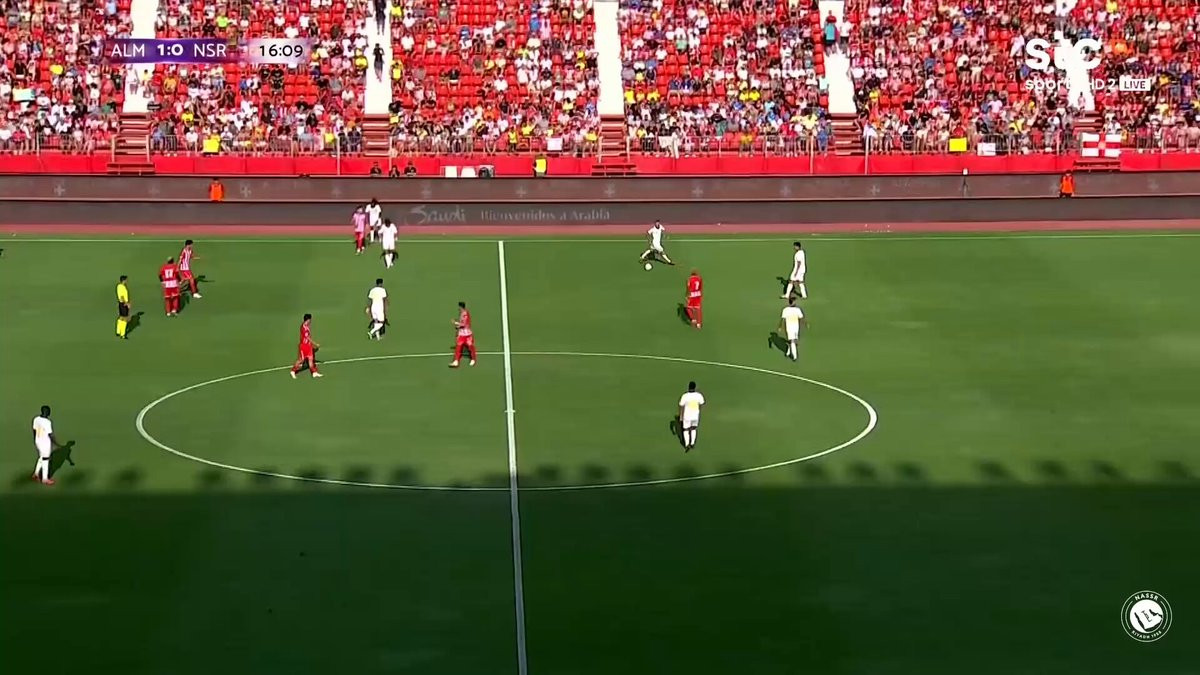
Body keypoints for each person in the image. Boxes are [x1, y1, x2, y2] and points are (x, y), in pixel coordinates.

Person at [31, 405, 59, 485]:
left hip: (38, 441)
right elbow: (50, 435)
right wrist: (56, 443)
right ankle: (45, 479)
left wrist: (35, 439)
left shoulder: (36, 419)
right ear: (48, 412)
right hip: (45, 443)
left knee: (41, 457)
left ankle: (36, 474)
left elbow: (34, 430)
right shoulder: (47, 422)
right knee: (46, 459)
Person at [290, 313, 323, 378]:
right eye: (310, 319)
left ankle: (314, 372)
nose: (311, 321)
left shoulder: (306, 325)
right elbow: (308, 338)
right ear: (308, 320)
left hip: (308, 346)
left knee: (311, 359)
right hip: (303, 347)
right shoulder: (304, 328)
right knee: (301, 360)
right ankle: (293, 371)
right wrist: (316, 344)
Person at [677, 381, 705, 451]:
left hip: (687, 415)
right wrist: (698, 411)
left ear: (688, 387)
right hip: (695, 415)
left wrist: (681, 416)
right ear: (695, 387)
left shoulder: (685, 396)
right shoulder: (699, 395)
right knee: (693, 429)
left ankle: (687, 444)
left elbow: (681, 406)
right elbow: (702, 404)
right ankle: (692, 443)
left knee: (686, 429)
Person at [449, 301, 476, 368]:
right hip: (461, 334)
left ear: (461, 307)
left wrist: (455, 323)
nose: (458, 308)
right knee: (458, 347)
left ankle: (473, 359)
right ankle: (456, 361)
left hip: (467, 334)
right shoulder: (461, 313)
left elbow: (464, 324)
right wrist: (457, 327)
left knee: (470, 346)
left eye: (459, 307)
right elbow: (461, 323)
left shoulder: (465, 314)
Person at [779, 297, 806, 361]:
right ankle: (795, 356)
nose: (795, 303)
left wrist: (805, 323)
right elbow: (783, 319)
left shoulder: (797, 309)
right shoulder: (786, 310)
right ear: (791, 302)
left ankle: (788, 351)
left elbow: (801, 318)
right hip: (789, 328)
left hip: (796, 327)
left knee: (794, 341)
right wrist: (780, 326)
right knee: (792, 341)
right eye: (794, 301)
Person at [116, 274, 131, 339]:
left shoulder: (119, 286)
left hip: (120, 303)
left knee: (121, 317)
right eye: (126, 280)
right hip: (123, 304)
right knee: (125, 319)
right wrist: (127, 303)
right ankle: (123, 334)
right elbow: (122, 296)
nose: (127, 281)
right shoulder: (122, 287)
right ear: (124, 280)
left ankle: (118, 331)